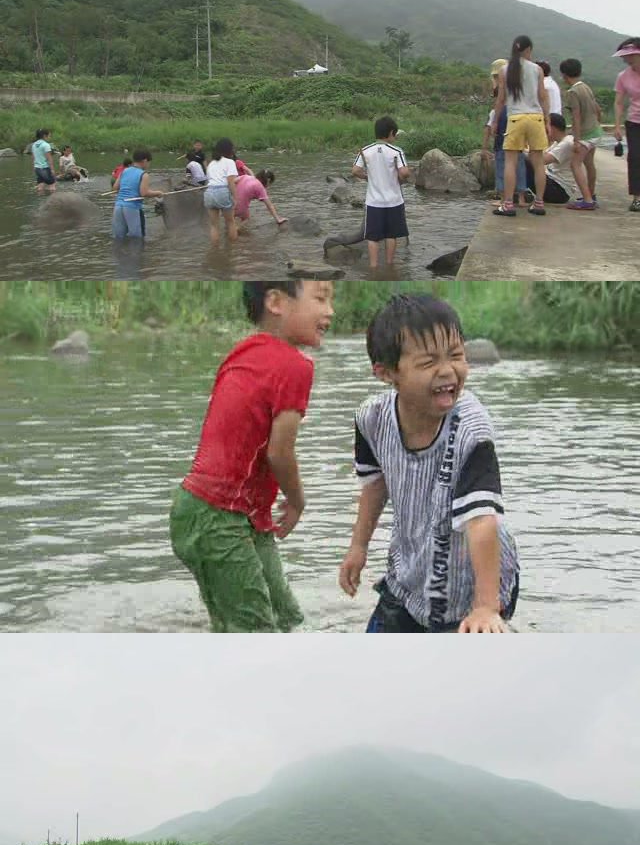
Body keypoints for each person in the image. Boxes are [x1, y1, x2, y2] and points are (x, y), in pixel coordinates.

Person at [339, 293, 519, 633]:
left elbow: (482, 519)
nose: (447, 370)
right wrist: (358, 547)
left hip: (473, 582)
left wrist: (484, 607)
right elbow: (374, 485)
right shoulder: (372, 419)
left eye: (456, 355)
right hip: (410, 575)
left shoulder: (471, 429)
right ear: (386, 372)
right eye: (428, 363)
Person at [170, 280, 334, 632]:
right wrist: (297, 501)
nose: (330, 311)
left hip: (226, 513)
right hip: (217, 517)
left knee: (287, 619)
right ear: (275, 301)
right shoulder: (295, 366)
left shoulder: (243, 350)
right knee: (255, 633)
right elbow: (279, 452)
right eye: (320, 298)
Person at [492, 36, 549, 216]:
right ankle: (539, 203)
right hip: (535, 117)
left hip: (515, 117)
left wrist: (495, 121)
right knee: (538, 162)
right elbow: (542, 96)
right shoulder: (537, 70)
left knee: (511, 161)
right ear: (528, 50)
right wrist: (547, 119)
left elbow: (501, 99)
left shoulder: (504, 70)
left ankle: (508, 204)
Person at [353, 115, 410, 269]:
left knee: (372, 237)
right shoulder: (396, 151)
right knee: (391, 235)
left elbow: (355, 170)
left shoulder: (365, 151)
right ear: (391, 132)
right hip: (394, 201)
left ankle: (373, 268)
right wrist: (401, 177)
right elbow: (404, 173)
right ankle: (390, 266)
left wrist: (367, 177)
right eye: (395, 134)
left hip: (373, 202)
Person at [559, 58, 603, 211]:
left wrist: (577, 140)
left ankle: (588, 200)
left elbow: (576, 117)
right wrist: (597, 123)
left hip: (586, 134)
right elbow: (597, 109)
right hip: (596, 130)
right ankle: (591, 194)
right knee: (589, 164)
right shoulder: (586, 87)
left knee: (575, 164)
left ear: (564, 75)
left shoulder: (573, 92)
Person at [483, 60, 527, 206]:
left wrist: (484, 148)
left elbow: (488, 129)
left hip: (502, 144)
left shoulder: (497, 110)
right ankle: (521, 199)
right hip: (518, 140)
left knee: (502, 168)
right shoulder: (519, 99)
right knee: (520, 167)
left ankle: (504, 199)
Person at [613, 37, 640, 213]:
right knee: (635, 157)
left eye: (630, 55)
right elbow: (619, 102)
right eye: (625, 56)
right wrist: (617, 125)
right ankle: (637, 198)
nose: (627, 59)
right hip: (634, 121)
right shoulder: (623, 76)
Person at [112, 148, 164, 240]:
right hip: (132, 208)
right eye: (149, 162)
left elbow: (115, 188)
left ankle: (119, 254)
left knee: (119, 238)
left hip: (118, 206)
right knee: (137, 239)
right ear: (145, 161)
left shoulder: (124, 171)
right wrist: (158, 193)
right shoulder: (144, 174)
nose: (149, 165)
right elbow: (144, 193)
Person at [525, 113, 577, 204]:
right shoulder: (558, 142)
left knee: (523, 162)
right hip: (553, 183)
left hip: (559, 191)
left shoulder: (567, 143)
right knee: (520, 158)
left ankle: (518, 193)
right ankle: (520, 192)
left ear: (552, 128)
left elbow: (541, 161)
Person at [204, 137, 239, 246]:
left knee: (214, 225)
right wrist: (236, 197)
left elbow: (209, 180)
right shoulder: (229, 162)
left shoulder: (211, 164)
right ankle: (233, 250)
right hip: (222, 191)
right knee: (230, 222)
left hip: (209, 193)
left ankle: (215, 251)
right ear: (229, 149)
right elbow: (230, 182)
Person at [30, 128, 57, 194]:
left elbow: (33, 157)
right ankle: (53, 201)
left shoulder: (34, 145)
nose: (49, 137)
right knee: (52, 185)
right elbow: (49, 158)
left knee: (40, 186)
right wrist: (52, 170)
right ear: (45, 136)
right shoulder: (46, 145)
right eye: (49, 136)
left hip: (37, 168)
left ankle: (40, 200)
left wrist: (34, 167)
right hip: (45, 168)